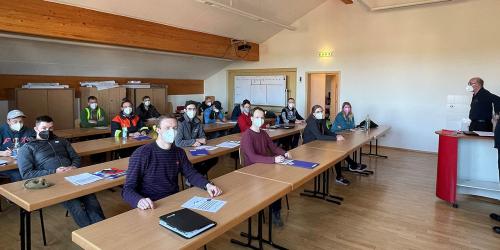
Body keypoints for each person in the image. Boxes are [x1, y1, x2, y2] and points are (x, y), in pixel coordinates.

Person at [17, 115, 104, 227]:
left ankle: (101, 229)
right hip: (52, 181)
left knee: (91, 200)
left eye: (51, 128)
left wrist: (73, 166)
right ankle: (91, 235)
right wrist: (54, 171)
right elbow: (26, 174)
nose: (48, 131)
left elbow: (76, 158)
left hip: (73, 176)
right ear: (36, 129)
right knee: (76, 206)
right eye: (44, 128)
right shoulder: (27, 148)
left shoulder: (62, 141)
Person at [122, 114, 222, 210]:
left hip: (174, 199)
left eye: (175, 128)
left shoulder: (179, 152)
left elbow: (191, 174)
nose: (172, 131)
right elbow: (127, 189)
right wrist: (139, 201)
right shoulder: (142, 154)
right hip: (151, 204)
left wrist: (207, 185)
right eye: (167, 128)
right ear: (158, 130)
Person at [240, 107, 290, 227]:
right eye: (257, 117)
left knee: (278, 183)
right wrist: (273, 159)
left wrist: (284, 152)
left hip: (265, 166)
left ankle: (275, 212)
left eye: (262, 117)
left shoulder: (263, 133)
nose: (260, 120)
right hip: (253, 170)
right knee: (272, 184)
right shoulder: (247, 135)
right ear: (251, 118)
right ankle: (271, 208)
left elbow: (273, 147)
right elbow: (252, 157)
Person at [302, 105, 352, 185]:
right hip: (309, 147)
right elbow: (319, 136)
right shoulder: (311, 121)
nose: (320, 113)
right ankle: (350, 167)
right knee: (334, 154)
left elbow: (327, 131)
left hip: (319, 143)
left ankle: (343, 173)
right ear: (313, 114)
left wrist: (336, 135)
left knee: (337, 152)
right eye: (318, 112)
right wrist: (335, 139)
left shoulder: (322, 119)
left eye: (321, 111)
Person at [175, 101, 218, 179]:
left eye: (194, 109)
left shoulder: (198, 121)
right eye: (189, 109)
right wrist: (194, 141)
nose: (192, 111)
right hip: (184, 151)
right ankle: (195, 178)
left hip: (196, 148)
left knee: (213, 157)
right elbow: (178, 142)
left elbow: (203, 136)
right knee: (195, 162)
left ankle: (194, 177)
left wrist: (203, 140)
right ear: (185, 110)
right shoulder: (180, 122)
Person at [330, 102, 368, 172]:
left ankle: (352, 164)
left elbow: (352, 126)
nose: (347, 109)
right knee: (342, 149)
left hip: (346, 133)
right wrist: (347, 127)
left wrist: (347, 127)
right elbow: (345, 126)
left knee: (347, 147)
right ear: (343, 108)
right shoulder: (340, 115)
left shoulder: (351, 115)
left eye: (349, 107)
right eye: (346, 107)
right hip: (336, 133)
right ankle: (352, 164)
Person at [0, 110, 35, 182]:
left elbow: (36, 145)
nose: (18, 124)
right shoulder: (2, 131)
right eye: (15, 122)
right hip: (7, 165)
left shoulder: (29, 131)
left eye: (21, 121)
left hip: (25, 162)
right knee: (18, 176)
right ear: (8, 121)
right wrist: (2, 153)